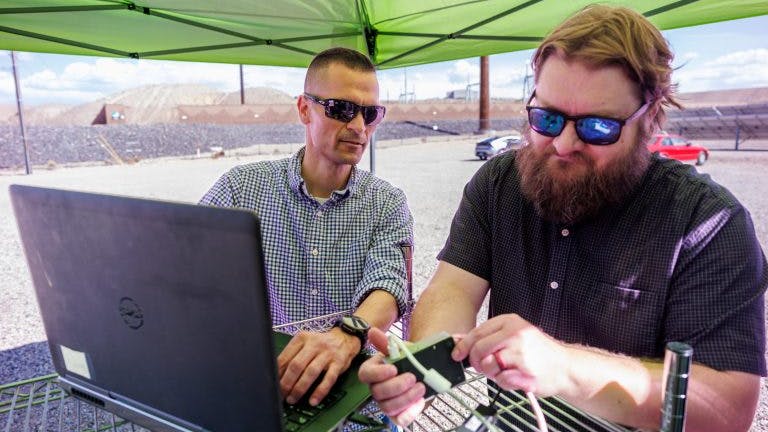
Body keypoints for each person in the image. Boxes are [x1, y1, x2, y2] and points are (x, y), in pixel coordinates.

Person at [359, 5, 766, 432]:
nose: (564, 144)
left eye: (597, 127)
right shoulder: (499, 183)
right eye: (547, 119)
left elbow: (726, 406)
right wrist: (423, 371)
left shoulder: (707, 222)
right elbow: (453, 290)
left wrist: (563, 367)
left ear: (650, 118)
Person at [200, 47, 413, 407]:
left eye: (371, 113)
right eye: (341, 109)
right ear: (304, 109)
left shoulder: (386, 203)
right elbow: (186, 263)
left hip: (354, 397)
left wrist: (347, 334)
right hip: (269, 385)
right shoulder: (241, 189)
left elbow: (389, 285)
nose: (359, 127)